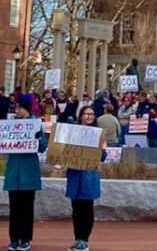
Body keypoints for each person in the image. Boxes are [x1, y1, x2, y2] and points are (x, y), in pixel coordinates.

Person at [2, 96, 47, 250]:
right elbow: (4, 144)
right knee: (14, 208)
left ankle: (26, 239)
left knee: (27, 208)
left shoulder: (35, 124)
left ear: (26, 108)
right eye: (16, 107)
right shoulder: (11, 124)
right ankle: (14, 238)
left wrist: (38, 138)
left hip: (28, 171)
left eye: (19, 107)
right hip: (14, 171)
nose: (17, 110)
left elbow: (42, 147)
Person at [64, 105, 106, 250]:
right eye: (86, 114)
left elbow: (103, 157)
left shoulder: (98, 134)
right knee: (76, 208)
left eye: (92, 114)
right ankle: (77, 238)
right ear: (80, 116)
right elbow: (65, 151)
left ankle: (84, 239)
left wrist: (103, 149)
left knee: (87, 207)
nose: (89, 116)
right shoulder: (72, 132)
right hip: (75, 174)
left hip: (89, 174)